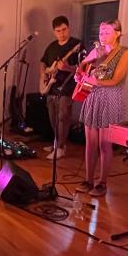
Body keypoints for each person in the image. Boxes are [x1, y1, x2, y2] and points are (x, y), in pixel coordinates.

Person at [75, 20, 128, 197]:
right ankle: (88, 179)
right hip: (92, 97)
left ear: (118, 33)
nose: (103, 36)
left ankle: (102, 183)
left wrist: (94, 81)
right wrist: (80, 74)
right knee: (90, 144)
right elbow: (82, 66)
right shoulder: (97, 50)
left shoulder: (125, 52)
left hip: (110, 98)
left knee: (104, 144)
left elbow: (116, 79)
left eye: (107, 32)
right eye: (101, 32)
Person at [39, 15, 82, 161]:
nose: (62, 33)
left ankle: (61, 148)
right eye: (58, 31)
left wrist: (68, 67)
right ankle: (56, 142)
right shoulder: (51, 47)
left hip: (68, 86)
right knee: (53, 117)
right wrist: (43, 74)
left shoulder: (77, 45)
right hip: (51, 86)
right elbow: (43, 62)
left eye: (64, 29)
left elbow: (84, 68)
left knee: (63, 116)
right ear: (54, 32)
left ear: (68, 28)